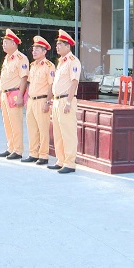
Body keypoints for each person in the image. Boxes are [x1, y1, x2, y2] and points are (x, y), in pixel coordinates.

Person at [48, 29, 81, 174]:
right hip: (57, 101)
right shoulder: (61, 62)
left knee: (68, 133)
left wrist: (68, 102)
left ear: (68, 46)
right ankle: (60, 160)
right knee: (58, 133)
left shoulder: (73, 61)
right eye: (57, 44)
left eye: (60, 44)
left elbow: (74, 82)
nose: (57, 47)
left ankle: (70, 163)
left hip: (66, 100)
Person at [21, 36, 54, 165]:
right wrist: (26, 99)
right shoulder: (33, 65)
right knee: (32, 128)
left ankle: (43, 155)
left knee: (43, 129)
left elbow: (51, 85)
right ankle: (33, 153)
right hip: (31, 101)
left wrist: (48, 102)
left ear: (44, 52)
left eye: (37, 49)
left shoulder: (49, 66)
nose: (34, 52)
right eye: (33, 49)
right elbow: (29, 83)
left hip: (42, 100)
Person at [0, 28, 28, 160]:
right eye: (3, 42)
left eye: (6, 42)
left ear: (14, 43)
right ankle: (10, 147)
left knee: (16, 123)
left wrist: (20, 96)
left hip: (14, 93)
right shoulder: (7, 58)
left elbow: (24, 78)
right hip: (4, 93)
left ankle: (18, 150)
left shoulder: (21, 58)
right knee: (7, 123)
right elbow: (4, 79)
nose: (3, 45)